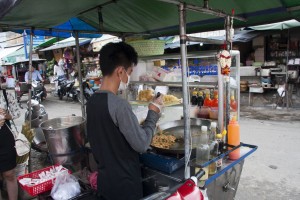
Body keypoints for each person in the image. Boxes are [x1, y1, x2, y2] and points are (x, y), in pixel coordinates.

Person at [86, 42, 163, 200]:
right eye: (129, 72)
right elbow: (142, 144)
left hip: (105, 184)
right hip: (125, 187)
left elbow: (109, 136)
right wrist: (153, 113)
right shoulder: (119, 105)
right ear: (120, 71)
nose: (129, 78)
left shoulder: (91, 102)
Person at [0, 81, 21, 200]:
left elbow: (17, 112)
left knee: (10, 174)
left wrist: (7, 115)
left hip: (5, 138)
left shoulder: (5, 94)